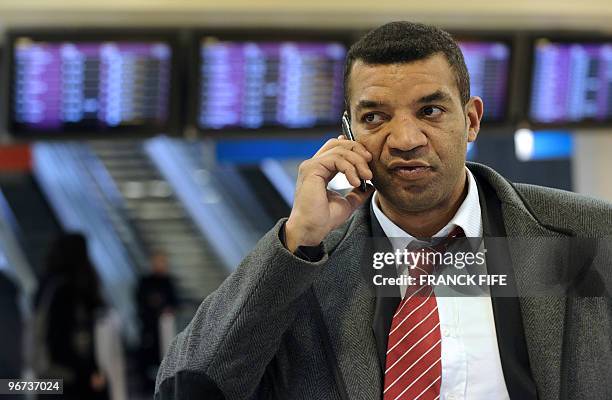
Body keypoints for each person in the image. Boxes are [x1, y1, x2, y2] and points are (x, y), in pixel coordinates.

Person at [155, 22, 612, 400]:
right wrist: (296, 239)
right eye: (375, 118)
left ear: (471, 120)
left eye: (430, 110)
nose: (406, 139)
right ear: (348, 131)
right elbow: (186, 388)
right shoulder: (305, 268)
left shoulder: (582, 236)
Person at [34, 233, 109, 400]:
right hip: (69, 378)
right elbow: (66, 339)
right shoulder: (68, 290)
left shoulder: (46, 286)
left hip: (48, 376)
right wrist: (90, 371)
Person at [136, 250, 178, 391]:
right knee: (147, 357)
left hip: (164, 329)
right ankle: (146, 385)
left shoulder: (168, 282)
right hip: (148, 327)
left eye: (163, 262)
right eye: (158, 262)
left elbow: (175, 302)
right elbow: (140, 302)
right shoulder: (145, 282)